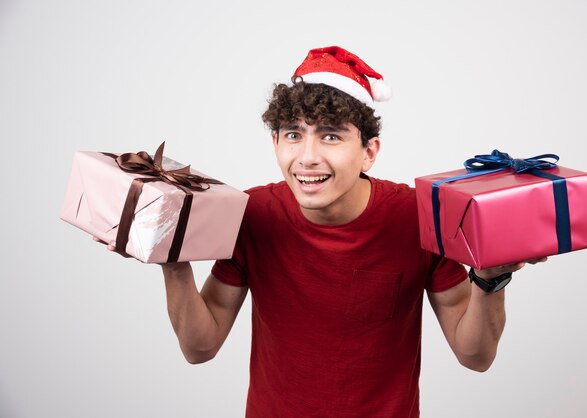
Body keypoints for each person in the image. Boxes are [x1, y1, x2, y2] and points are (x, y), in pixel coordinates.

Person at [114, 46, 544, 417]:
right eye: (293, 135)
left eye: (331, 136)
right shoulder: (252, 215)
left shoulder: (418, 216)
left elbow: (476, 356)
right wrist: (173, 260)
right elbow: (199, 347)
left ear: (369, 152)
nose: (307, 157)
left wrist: (491, 279)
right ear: (275, 144)